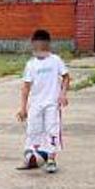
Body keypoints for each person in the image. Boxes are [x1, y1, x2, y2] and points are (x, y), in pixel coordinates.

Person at [16, 29, 70, 174]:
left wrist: (63, 94)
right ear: (33, 45)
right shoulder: (31, 64)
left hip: (52, 103)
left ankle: (51, 159)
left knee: (52, 130)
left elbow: (66, 77)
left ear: (47, 44)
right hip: (36, 104)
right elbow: (26, 87)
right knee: (33, 130)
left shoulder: (56, 60)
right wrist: (23, 108)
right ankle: (30, 158)